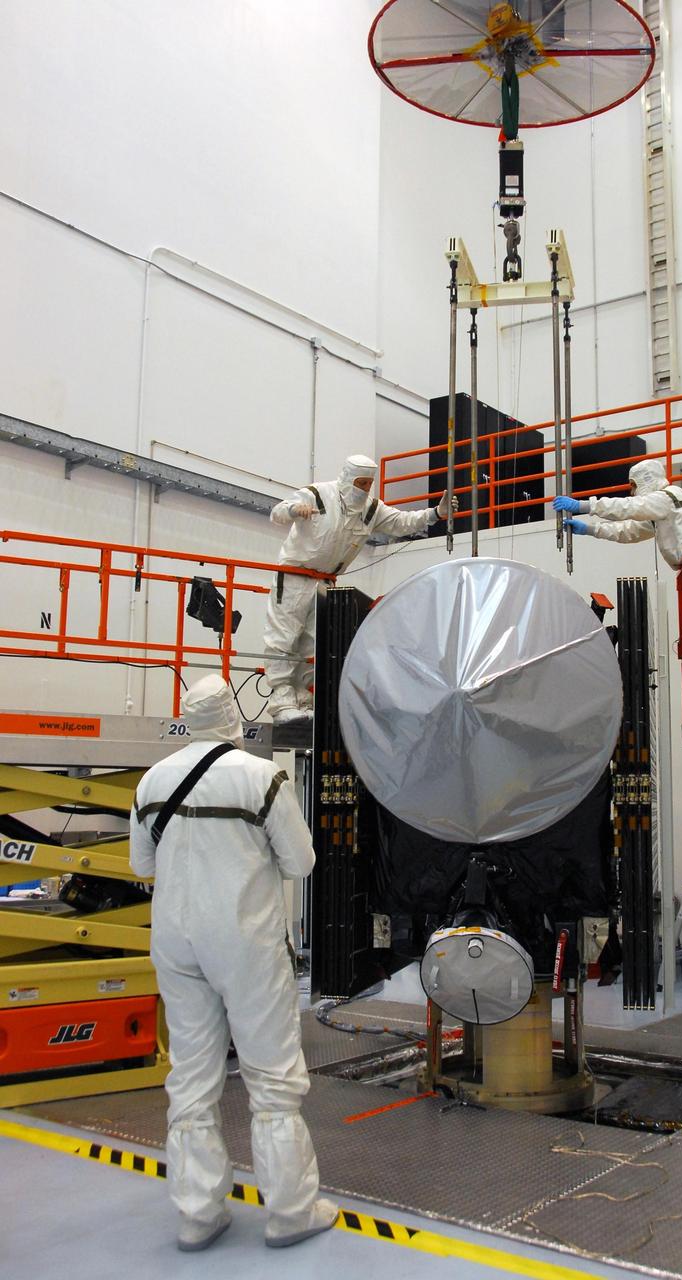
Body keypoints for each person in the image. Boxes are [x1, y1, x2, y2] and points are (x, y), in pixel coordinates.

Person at [129, 674, 337, 1252]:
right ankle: (291, 1211)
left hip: (176, 942)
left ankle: (198, 1213)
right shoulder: (261, 777)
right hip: (244, 943)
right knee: (271, 1075)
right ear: (231, 718)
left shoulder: (152, 781)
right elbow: (300, 861)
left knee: (192, 1077)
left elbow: (143, 866)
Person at [264, 453, 456, 724]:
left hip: (325, 582)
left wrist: (436, 514)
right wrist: (295, 510)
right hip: (294, 576)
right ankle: (281, 699)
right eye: (360, 482)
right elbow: (278, 511)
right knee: (284, 637)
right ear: (347, 477)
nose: (364, 489)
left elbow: (402, 522)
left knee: (313, 644)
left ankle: (304, 698)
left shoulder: (371, 509)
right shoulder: (318, 495)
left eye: (368, 484)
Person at [554, 458, 682, 718]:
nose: (632, 492)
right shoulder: (664, 510)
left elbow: (629, 508)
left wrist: (584, 505)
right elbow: (629, 531)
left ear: (644, 481)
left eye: (633, 486)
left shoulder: (668, 497)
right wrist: (591, 529)